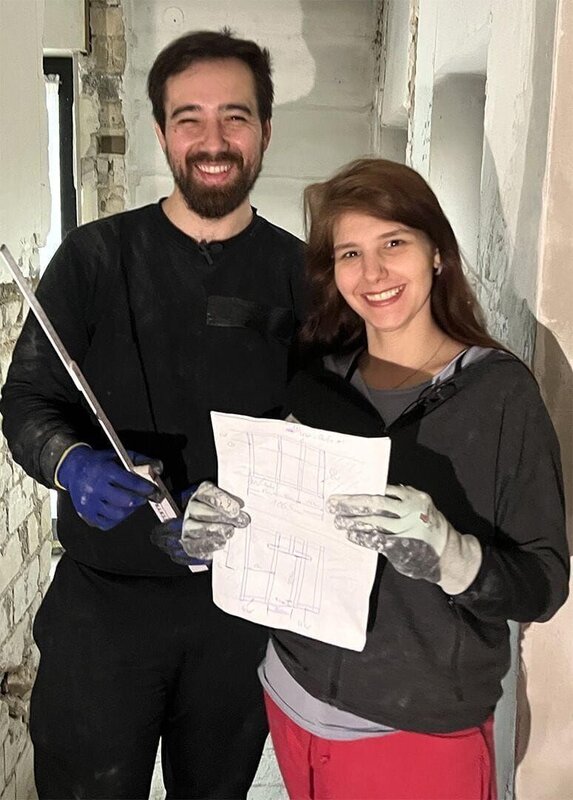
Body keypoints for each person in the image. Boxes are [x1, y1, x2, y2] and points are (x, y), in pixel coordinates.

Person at [176, 158, 569, 800]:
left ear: (437, 252)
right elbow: (273, 527)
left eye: (394, 243)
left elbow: (544, 584)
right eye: (350, 254)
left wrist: (454, 557)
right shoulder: (317, 386)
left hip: (415, 734)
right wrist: (206, 537)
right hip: (291, 697)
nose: (373, 273)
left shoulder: (500, 396)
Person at [0, 30, 305, 800]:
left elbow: (329, 435)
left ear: (266, 130)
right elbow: (28, 399)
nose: (213, 141)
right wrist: (70, 464)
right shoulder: (94, 257)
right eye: (188, 118)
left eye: (235, 117)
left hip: (238, 607)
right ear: (162, 131)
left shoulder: (300, 274)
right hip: (102, 609)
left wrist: (258, 503)